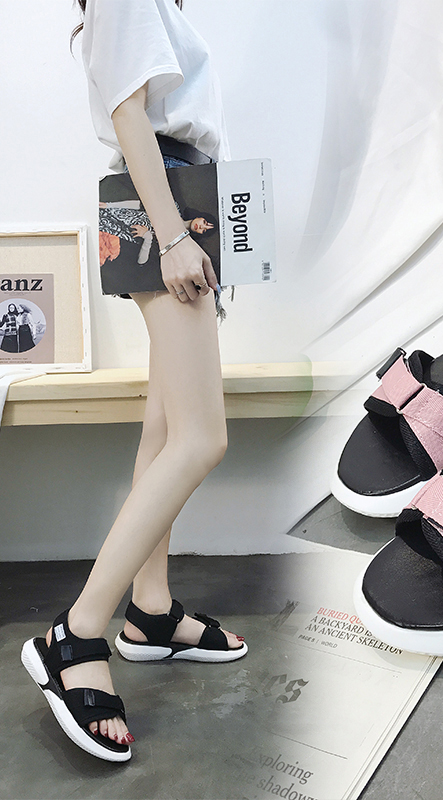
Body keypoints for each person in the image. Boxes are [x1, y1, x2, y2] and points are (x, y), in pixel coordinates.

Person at [21, 0, 246, 763]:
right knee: (201, 439)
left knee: (166, 428)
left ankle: (149, 611)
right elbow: (128, 113)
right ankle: (76, 633)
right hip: (163, 204)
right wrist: (176, 235)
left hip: (172, 196)